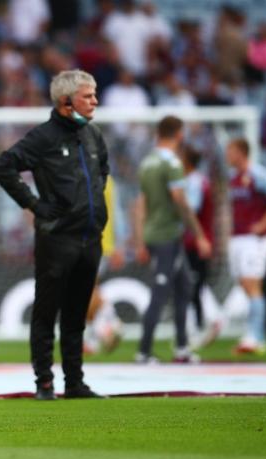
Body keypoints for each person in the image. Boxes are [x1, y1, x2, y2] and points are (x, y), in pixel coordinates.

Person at [0, 69, 109, 400]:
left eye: (94, 94)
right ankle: (44, 382)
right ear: (65, 102)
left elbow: (103, 173)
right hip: (57, 239)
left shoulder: (93, 136)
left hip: (90, 238)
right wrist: (35, 205)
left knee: (77, 314)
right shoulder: (43, 137)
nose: (94, 101)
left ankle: (74, 382)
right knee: (47, 312)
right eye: (88, 96)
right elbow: (2, 166)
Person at [132, 116, 212, 364]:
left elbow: (139, 206)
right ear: (179, 134)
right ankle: (144, 351)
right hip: (167, 235)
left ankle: (181, 347)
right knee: (160, 291)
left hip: (156, 234)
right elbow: (180, 200)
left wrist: (139, 240)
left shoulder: (147, 163)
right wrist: (199, 235)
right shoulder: (172, 164)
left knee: (185, 286)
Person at [224, 138, 266, 355]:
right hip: (238, 238)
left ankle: (255, 337)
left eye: (230, 151)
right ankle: (255, 334)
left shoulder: (258, 174)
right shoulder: (233, 178)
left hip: (254, 240)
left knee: (252, 285)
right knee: (245, 284)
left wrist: (264, 224)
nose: (227, 156)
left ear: (241, 153)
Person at [181, 146, 219, 350]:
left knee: (192, 284)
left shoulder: (194, 183)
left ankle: (202, 325)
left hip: (196, 242)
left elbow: (191, 211)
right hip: (197, 241)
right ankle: (201, 324)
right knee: (194, 284)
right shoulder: (199, 181)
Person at [84, 174, 124, 356]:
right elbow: (116, 214)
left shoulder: (87, 178)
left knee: (86, 289)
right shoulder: (108, 180)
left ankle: (110, 322)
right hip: (103, 243)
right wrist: (117, 244)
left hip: (90, 242)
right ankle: (94, 336)